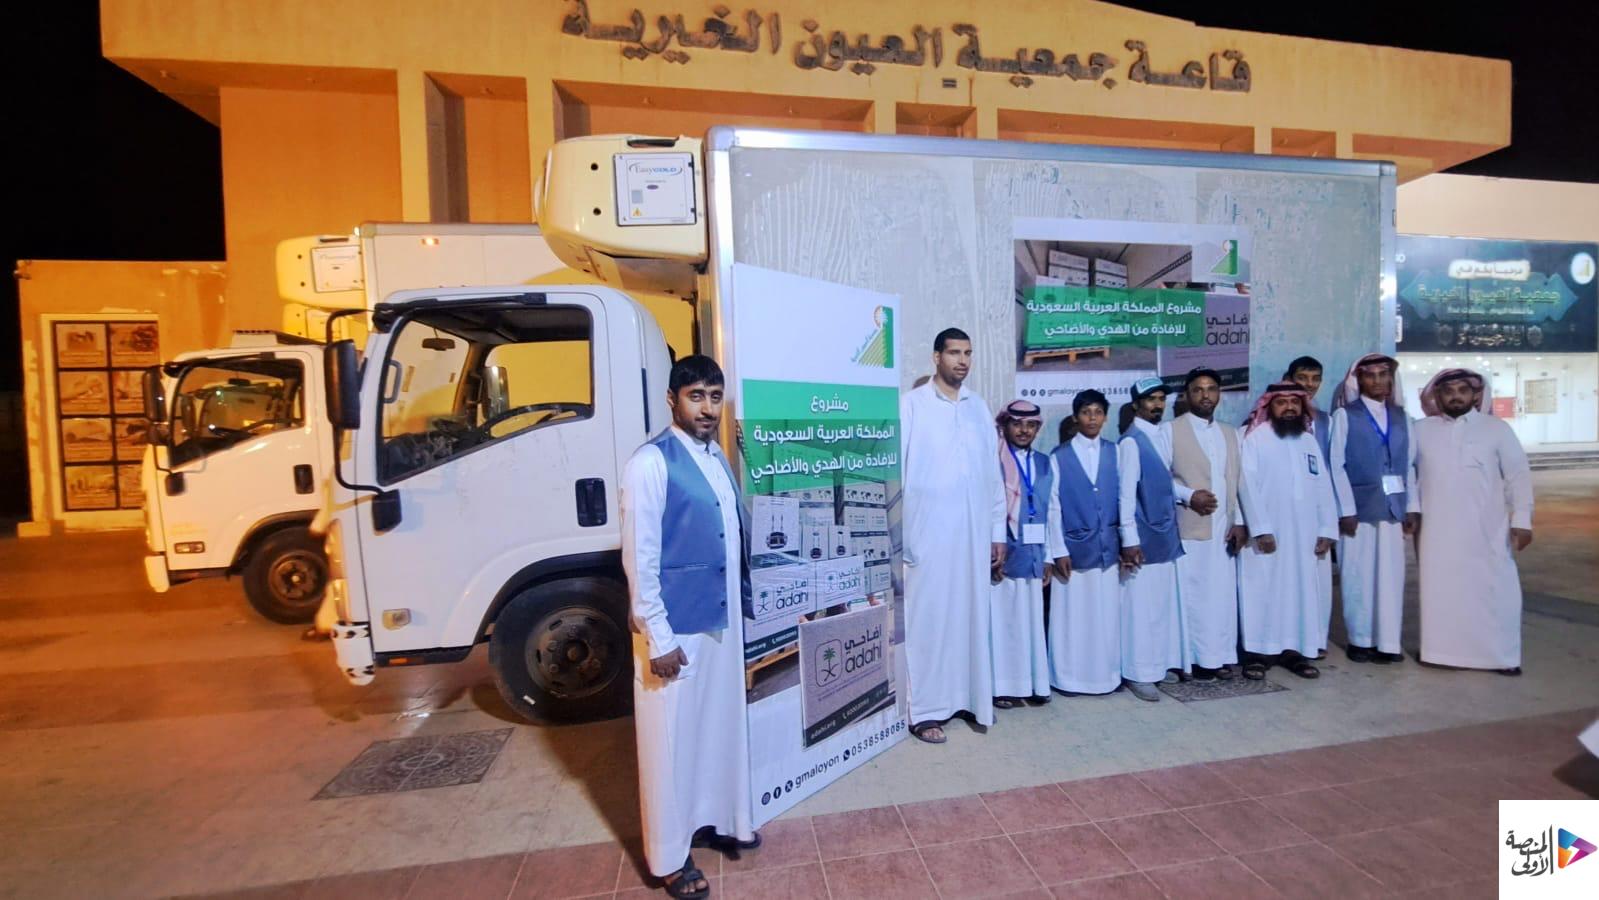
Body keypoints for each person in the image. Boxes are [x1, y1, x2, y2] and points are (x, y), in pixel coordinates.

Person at [621, 355, 757, 898]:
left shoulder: (715, 455)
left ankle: (715, 818)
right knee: (670, 745)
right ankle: (669, 858)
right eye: (695, 396)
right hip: (675, 630)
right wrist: (657, 636)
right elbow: (639, 558)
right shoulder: (650, 463)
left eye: (714, 397)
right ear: (672, 400)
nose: (707, 408)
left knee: (717, 727)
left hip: (719, 621)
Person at [900, 327, 1007, 743]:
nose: (962, 361)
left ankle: (967, 699)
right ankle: (925, 711)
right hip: (927, 538)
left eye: (968, 353)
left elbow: (992, 476)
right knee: (929, 622)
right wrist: (904, 538)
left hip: (973, 537)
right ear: (936, 357)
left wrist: (996, 531)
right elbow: (898, 476)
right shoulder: (911, 405)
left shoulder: (978, 408)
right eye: (954, 353)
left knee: (970, 619)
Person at [1414, 368, 1534, 675]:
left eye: (1462, 390)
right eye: (1448, 390)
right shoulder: (1421, 430)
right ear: (1437, 395)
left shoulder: (1497, 429)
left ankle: (1501, 657)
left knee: (1497, 589)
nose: (1455, 396)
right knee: (1442, 591)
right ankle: (1441, 653)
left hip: (1487, 528)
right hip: (1436, 530)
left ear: (1475, 394)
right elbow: (1406, 474)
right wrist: (1410, 510)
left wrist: (1522, 519)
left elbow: (1518, 475)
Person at [1236, 382, 1338, 680]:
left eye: (1295, 401)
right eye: (1282, 402)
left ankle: (1294, 651)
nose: (1290, 407)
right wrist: (1260, 528)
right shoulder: (1254, 437)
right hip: (1267, 534)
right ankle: (1257, 653)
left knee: (1299, 591)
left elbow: (1322, 485)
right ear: (1270, 406)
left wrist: (1327, 527)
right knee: (1262, 589)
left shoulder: (1308, 441)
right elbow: (1245, 484)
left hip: (1304, 534)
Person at [1329, 353, 1418, 664]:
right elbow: (1336, 466)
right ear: (1359, 380)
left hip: (1393, 509)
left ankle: (1388, 642)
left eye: (1383, 374)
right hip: (1359, 511)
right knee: (1358, 575)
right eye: (1371, 375)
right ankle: (1360, 640)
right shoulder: (1346, 416)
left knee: (1391, 578)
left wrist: (1412, 507)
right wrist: (1346, 509)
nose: (1378, 381)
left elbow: (1409, 465)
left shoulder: (1403, 417)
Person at [1163, 368, 1246, 682]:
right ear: (1186, 395)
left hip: (1223, 529)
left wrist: (1239, 522)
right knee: (1194, 596)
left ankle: (1218, 657)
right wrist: (1188, 495)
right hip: (1190, 527)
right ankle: (1193, 659)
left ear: (1219, 394)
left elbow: (1237, 481)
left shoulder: (1230, 433)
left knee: (1221, 597)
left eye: (1211, 389)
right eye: (1198, 390)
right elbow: (1159, 478)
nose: (1205, 395)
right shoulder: (1171, 430)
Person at [1115, 377, 1188, 701]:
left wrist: (1190, 495)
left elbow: (1165, 483)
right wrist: (1129, 540)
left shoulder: (1161, 435)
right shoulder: (1131, 443)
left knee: (1160, 605)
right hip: (1143, 538)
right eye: (1150, 399)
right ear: (1136, 405)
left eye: (1161, 398)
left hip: (1164, 535)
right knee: (1140, 608)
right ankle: (1138, 672)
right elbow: (1125, 496)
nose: (1157, 405)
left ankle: (1157, 665)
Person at [1046, 390, 1122, 695]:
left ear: (1105, 417)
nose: (1092, 418)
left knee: (1106, 615)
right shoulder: (1059, 456)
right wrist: (1058, 550)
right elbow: (1053, 508)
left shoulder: (1116, 452)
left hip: (1107, 549)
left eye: (1098, 412)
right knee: (1072, 617)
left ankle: (1105, 677)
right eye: (1086, 412)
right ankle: (1068, 679)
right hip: (1073, 550)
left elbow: (1125, 499)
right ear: (1076, 417)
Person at [991, 399, 1055, 707]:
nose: (1024, 430)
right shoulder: (995, 461)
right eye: (1017, 424)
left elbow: (1052, 510)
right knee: (1004, 622)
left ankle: (1034, 684)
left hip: (1034, 552)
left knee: (1031, 621)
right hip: (1006, 553)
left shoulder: (1044, 462)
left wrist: (1049, 556)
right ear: (1005, 426)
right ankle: (1003, 687)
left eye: (1030, 425)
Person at [1284, 356, 1337, 658]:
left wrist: (1331, 519)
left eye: (1315, 379)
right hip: (1286, 513)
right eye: (1302, 378)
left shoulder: (1327, 421)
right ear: (1289, 378)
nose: (1309, 384)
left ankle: (1315, 640)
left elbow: (1333, 470)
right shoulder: (1268, 420)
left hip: (1319, 510)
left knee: (1319, 579)